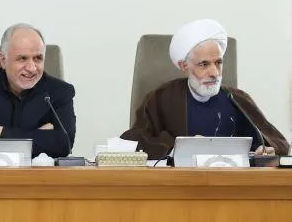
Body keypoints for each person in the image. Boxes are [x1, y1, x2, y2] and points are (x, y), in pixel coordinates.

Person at [121, 19, 289, 159]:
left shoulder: (237, 99)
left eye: (218, 63)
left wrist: (267, 150)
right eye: (204, 64)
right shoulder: (162, 98)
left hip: (232, 181)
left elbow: (278, 142)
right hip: (180, 182)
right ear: (184, 66)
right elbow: (132, 140)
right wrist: (180, 147)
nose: (214, 73)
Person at [0, 23, 76, 158]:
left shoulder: (60, 92)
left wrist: (0, 133)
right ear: (3, 60)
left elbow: (64, 144)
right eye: (22, 58)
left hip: (39, 172)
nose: (31, 68)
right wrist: (37, 136)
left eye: (38, 58)